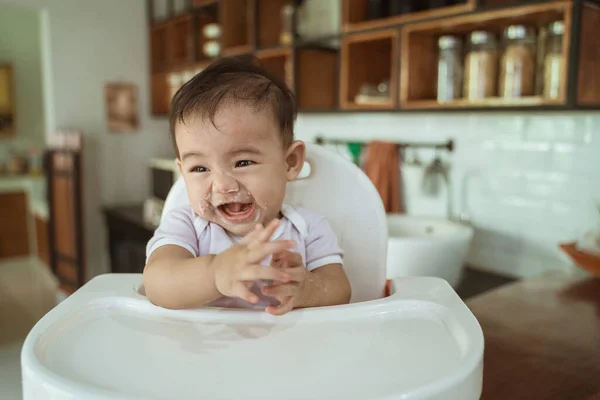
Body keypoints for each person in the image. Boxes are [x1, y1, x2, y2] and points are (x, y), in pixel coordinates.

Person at [143, 56, 351, 316]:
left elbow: (340, 289)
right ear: (183, 173)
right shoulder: (187, 226)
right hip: (206, 351)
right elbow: (157, 282)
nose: (223, 185)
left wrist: (307, 288)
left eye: (242, 162)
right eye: (200, 168)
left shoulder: (308, 229)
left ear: (290, 162)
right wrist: (215, 273)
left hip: (290, 351)